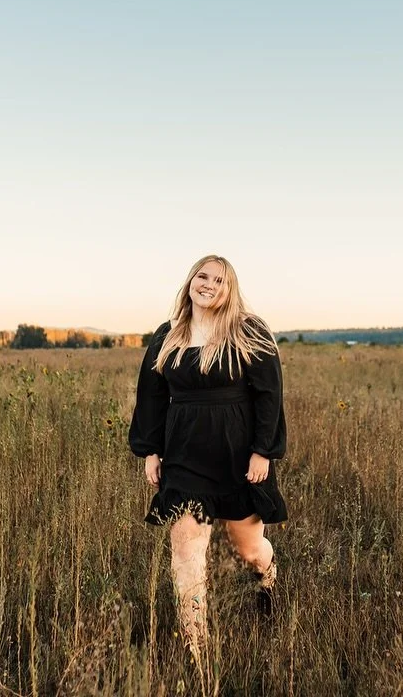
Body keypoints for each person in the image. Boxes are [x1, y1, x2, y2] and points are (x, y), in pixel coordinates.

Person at [129, 254, 288, 663]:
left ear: (229, 289)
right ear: (190, 281)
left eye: (219, 280)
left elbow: (269, 395)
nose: (209, 284)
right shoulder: (169, 334)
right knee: (186, 550)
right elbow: (150, 395)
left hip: (237, 457)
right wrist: (150, 450)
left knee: (248, 550)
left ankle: (267, 579)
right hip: (184, 458)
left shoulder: (248, 331)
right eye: (203, 276)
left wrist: (262, 452)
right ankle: (195, 647)